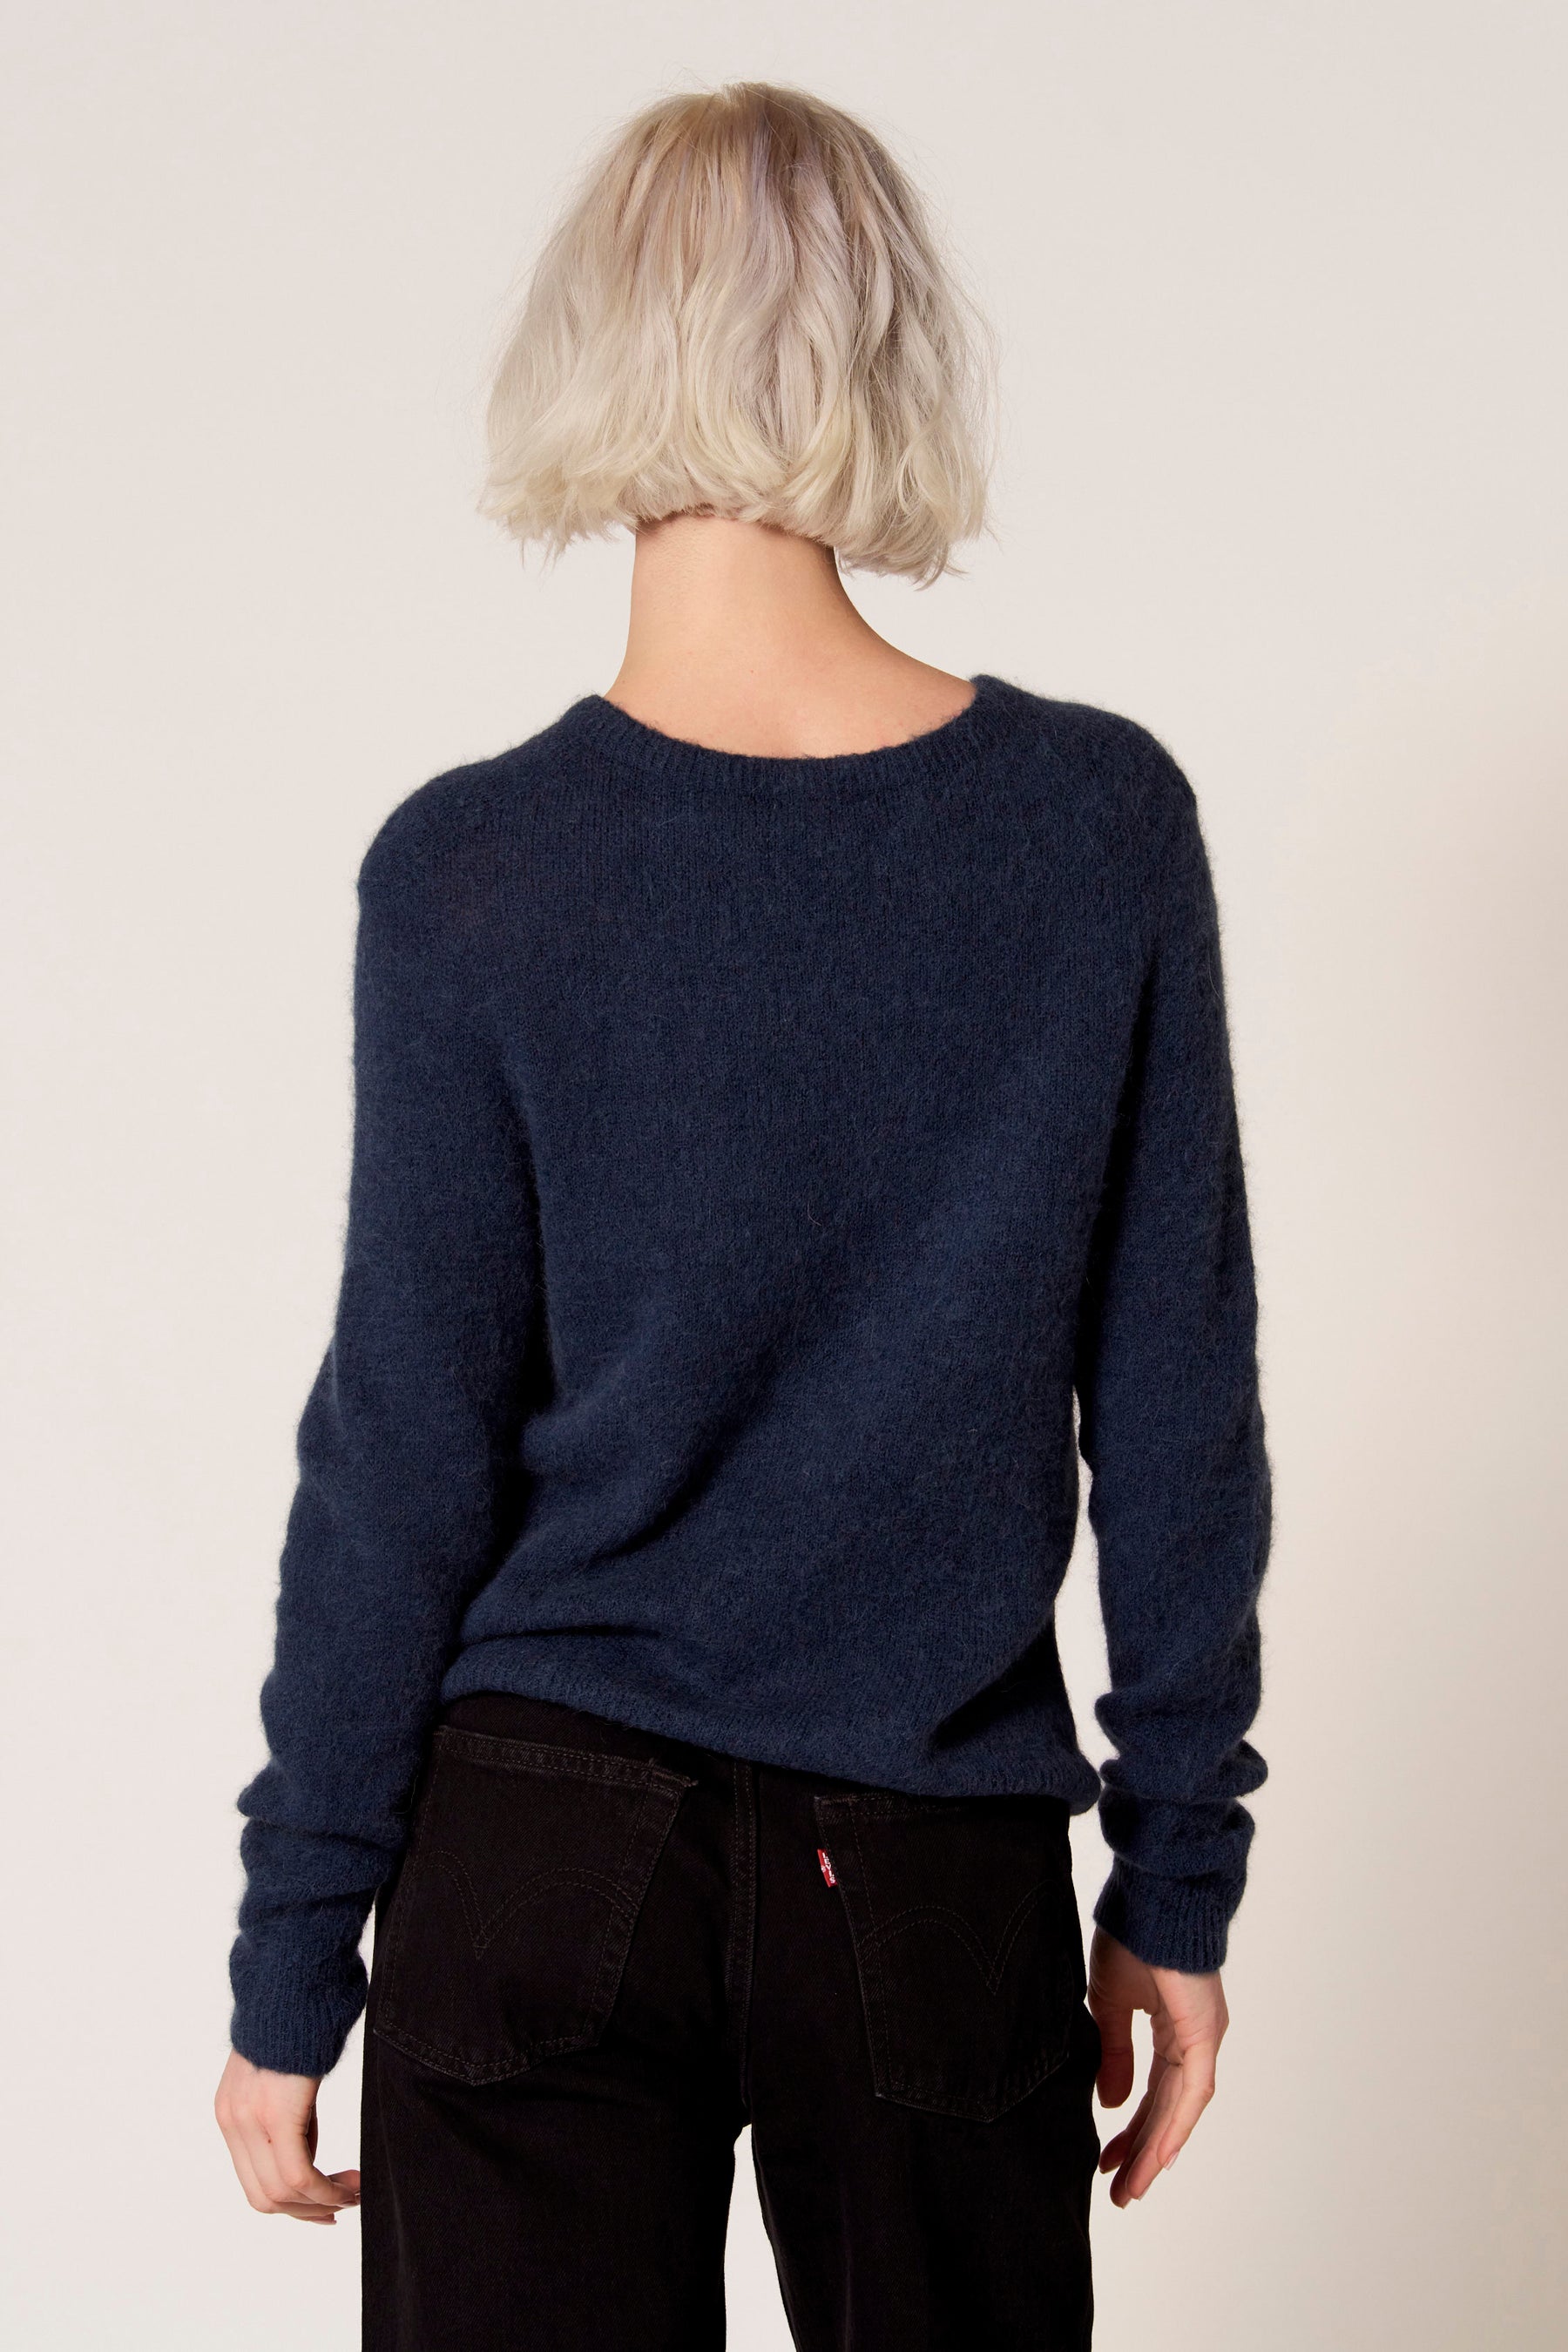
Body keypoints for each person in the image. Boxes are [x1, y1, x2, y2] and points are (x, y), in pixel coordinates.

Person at [215, 81, 1271, 2352]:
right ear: (893, 351)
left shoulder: (472, 867)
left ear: (586, 347)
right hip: (930, 1848)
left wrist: (294, 1957)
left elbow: (401, 1447)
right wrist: (1176, 1880)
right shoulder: (1095, 826)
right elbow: (1178, 1406)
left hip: (537, 1837)